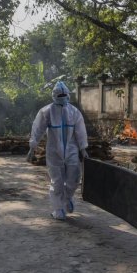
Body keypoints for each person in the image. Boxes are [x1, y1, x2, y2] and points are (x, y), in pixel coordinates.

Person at [27, 81, 89, 220]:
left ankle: (67, 199)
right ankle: (58, 209)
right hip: (54, 152)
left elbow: (80, 131)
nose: (62, 97)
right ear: (54, 95)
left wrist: (83, 148)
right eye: (59, 94)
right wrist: (32, 147)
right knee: (57, 181)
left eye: (64, 94)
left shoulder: (74, 112)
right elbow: (37, 130)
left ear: (67, 95)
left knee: (74, 178)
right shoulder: (46, 111)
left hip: (71, 150)